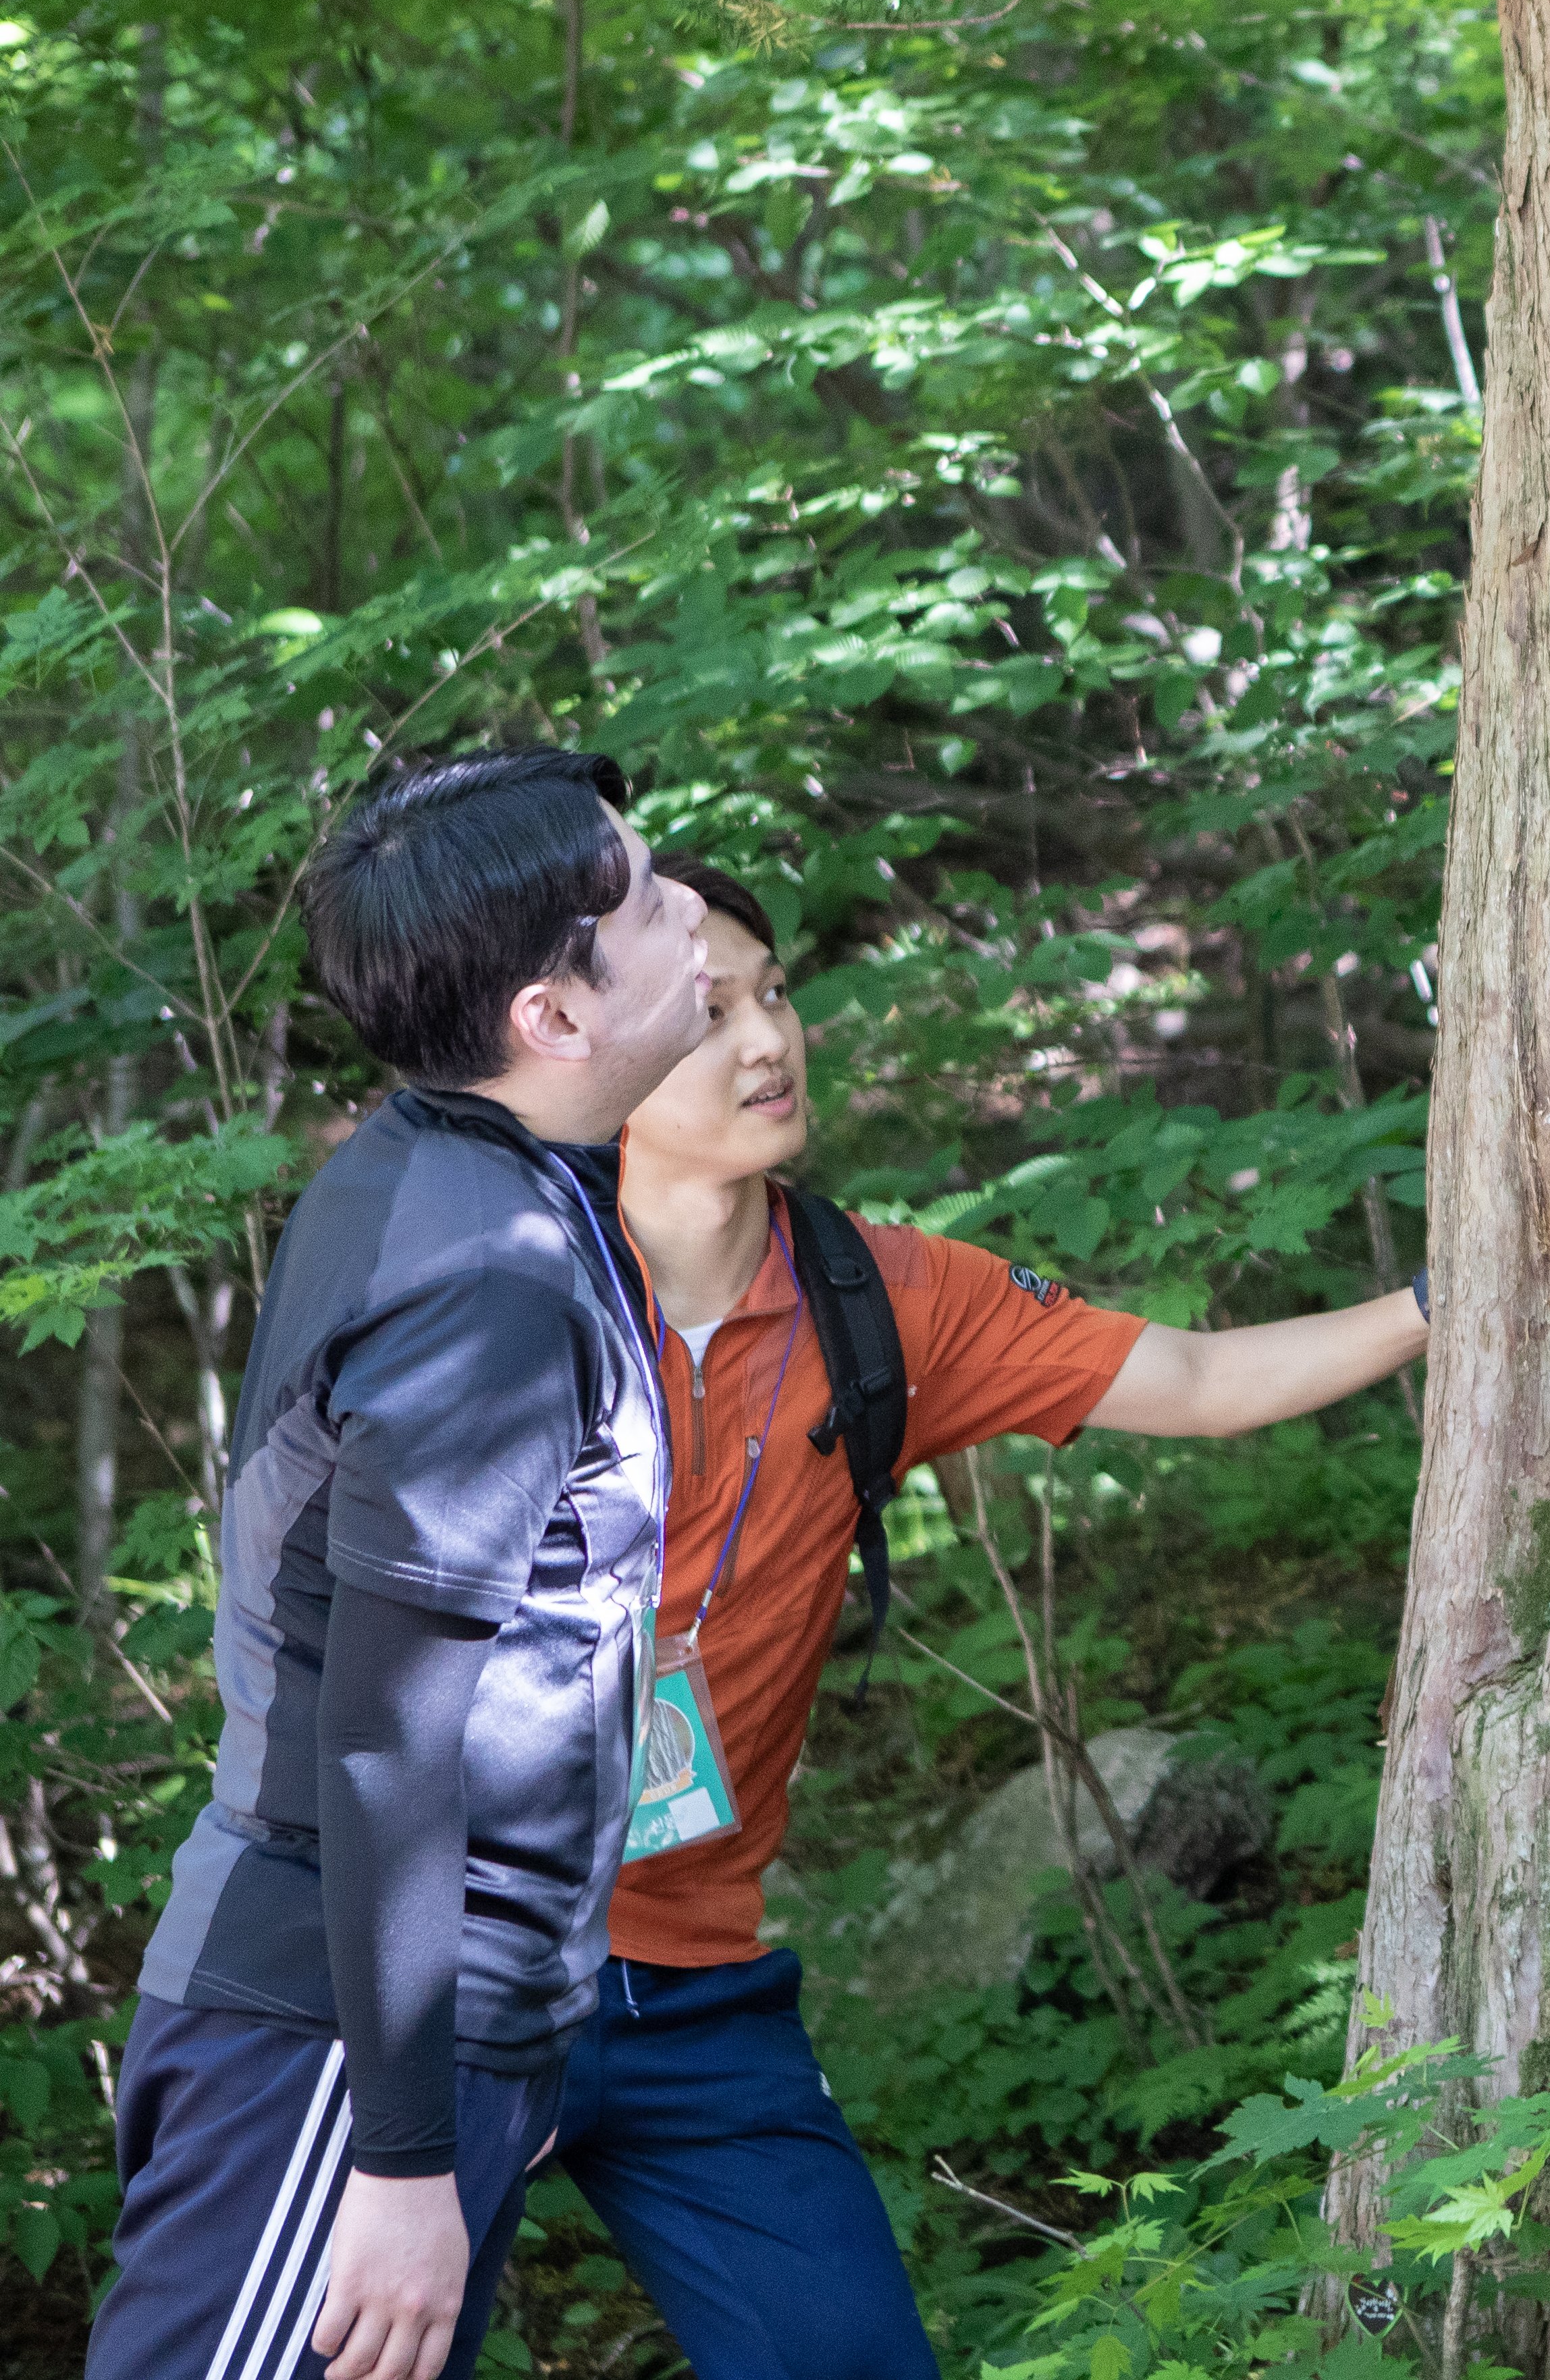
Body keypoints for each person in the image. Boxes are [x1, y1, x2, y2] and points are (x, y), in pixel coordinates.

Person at [540, 861, 1435, 2379]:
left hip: (696, 1983)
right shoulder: (502, 1284)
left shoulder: (879, 1298)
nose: (769, 1040)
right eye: (709, 1015)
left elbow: (1203, 1383)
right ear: (598, 1050)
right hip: (465, 1961)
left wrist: (1449, 1291)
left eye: (774, 991)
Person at [96, 753, 713, 2380]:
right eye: (648, 898)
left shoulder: (483, 1180)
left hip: (403, 2032)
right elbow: (383, 1735)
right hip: (328, 2048)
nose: (693, 912)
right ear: (553, 1015)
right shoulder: (484, 1271)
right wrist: (398, 2150)